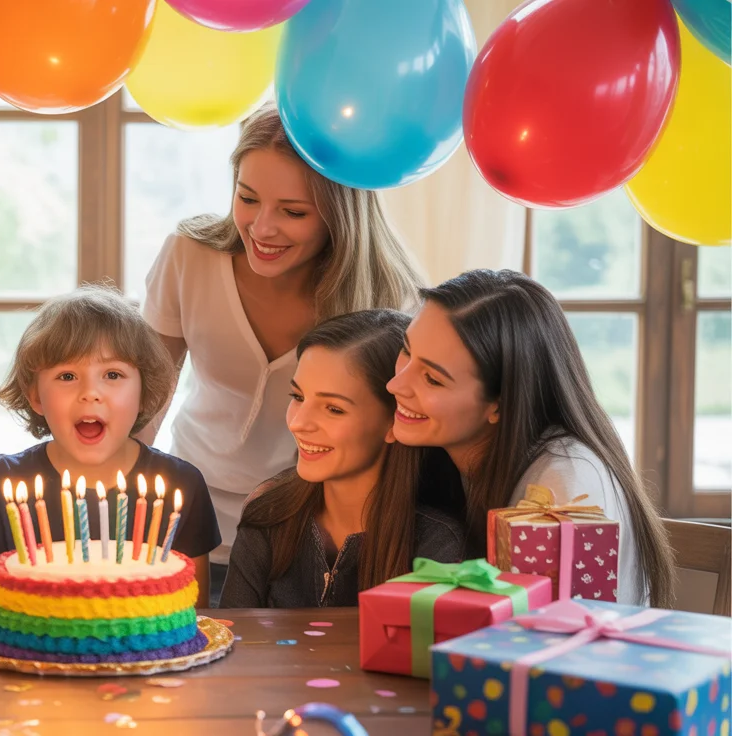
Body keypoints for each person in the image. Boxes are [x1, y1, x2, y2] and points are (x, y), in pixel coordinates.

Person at [138, 103, 428, 598]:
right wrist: (123, 505)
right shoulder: (189, 254)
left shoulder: (389, 294)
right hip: (183, 517)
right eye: (247, 198)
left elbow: (398, 439)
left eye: (292, 212)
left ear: (341, 214)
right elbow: (147, 395)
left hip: (301, 536)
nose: (262, 228)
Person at [387, 269, 676, 607]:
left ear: (501, 403)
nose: (396, 385)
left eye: (432, 379)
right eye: (406, 351)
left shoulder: (560, 488)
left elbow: (544, 635)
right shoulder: (460, 457)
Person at [0, 285, 221, 609]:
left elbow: (192, 613)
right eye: (67, 376)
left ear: (144, 392)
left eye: (112, 374)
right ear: (35, 395)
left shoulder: (181, 486)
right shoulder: (0, 483)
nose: (90, 393)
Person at [221, 310, 465, 608]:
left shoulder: (439, 545)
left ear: (395, 420)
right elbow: (233, 642)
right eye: (298, 397)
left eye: (333, 409)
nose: (299, 423)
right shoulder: (268, 517)